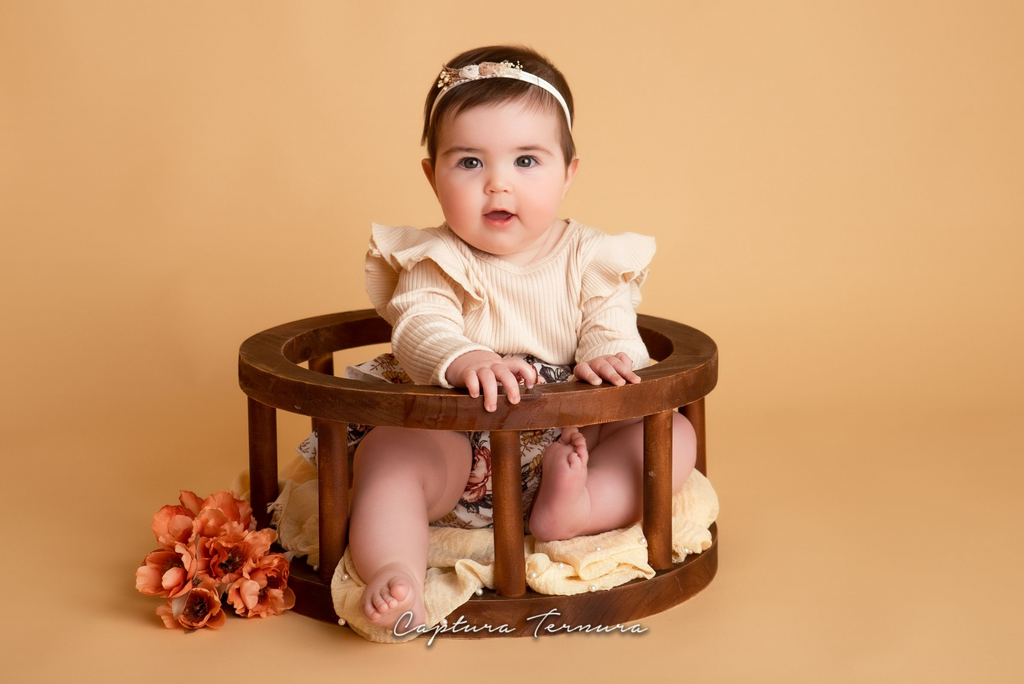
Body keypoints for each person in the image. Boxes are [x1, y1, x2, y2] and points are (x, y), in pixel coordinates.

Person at [343, 44, 697, 631]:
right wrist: (463, 356)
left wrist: (604, 353)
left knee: (671, 436)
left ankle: (578, 508)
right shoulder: (434, 258)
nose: (498, 186)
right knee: (390, 456)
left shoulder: (590, 255)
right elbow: (418, 324)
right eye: (470, 163)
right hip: (458, 436)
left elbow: (610, 315)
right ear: (432, 176)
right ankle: (393, 571)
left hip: (570, 432)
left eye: (526, 161)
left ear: (568, 171)